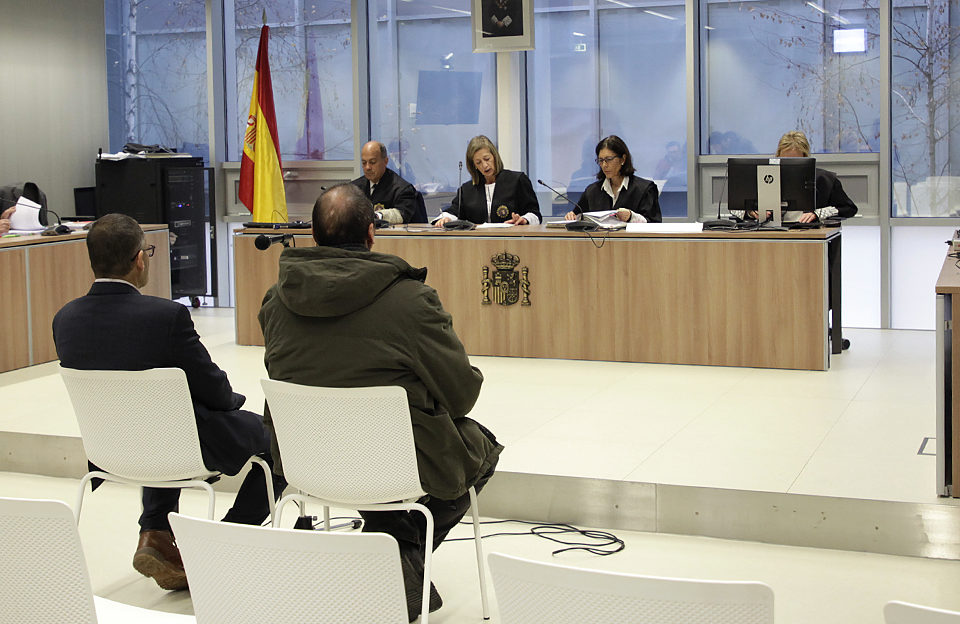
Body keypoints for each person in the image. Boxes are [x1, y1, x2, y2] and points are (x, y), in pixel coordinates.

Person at [259, 184, 502, 621]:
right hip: (393, 461)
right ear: (372, 234)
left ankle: (387, 550)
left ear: (313, 236)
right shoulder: (409, 300)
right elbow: (462, 396)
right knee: (478, 446)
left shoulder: (275, 301)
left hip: (305, 458)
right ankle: (401, 555)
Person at [53, 213, 284, 591]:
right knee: (277, 439)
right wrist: (233, 402)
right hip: (175, 445)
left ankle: (155, 531)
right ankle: (225, 538)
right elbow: (215, 391)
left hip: (109, 449)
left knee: (160, 422)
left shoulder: (65, 319)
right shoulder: (166, 316)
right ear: (138, 259)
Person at [739, 130, 859, 223]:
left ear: (806, 159)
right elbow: (735, 207)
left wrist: (817, 214)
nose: (789, 168)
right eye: (784, 161)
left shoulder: (825, 180)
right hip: (769, 238)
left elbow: (849, 208)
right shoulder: (765, 177)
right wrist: (750, 212)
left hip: (809, 239)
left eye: (795, 162)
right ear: (776, 157)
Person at [435, 135, 541, 226]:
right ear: (474, 166)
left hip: (512, 241)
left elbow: (535, 214)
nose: (485, 165)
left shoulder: (517, 180)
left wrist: (524, 219)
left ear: (494, 156)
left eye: (487, 159)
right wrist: (446, 218)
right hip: (477, 244)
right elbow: (454, 211)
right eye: (478, 162)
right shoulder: (467, 189)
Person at [565, 135, 662, 223]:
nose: (604, 165)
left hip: (632, 242)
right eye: (601, 160)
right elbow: (578, 216)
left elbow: (654, 224)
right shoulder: (592, 191)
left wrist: (631, 217)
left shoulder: (645, 189)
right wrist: (571, 217)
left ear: (623, 159)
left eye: (609, 159)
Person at [351, 140, 424, 224]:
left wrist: (378, 216)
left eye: (372, 162)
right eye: (364, 163)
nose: (367, 167)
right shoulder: (354, 188)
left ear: (385, 161)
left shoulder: (402, 189)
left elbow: (402, 215)